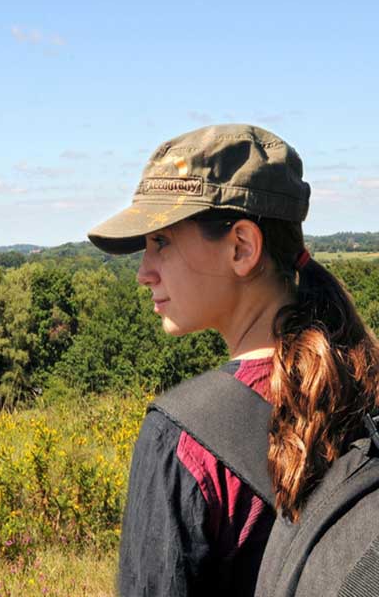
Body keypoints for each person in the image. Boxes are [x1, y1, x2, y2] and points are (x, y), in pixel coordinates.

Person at [86, 124, 379, 596]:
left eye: (160, 241)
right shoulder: (363, 385)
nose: (144, 272)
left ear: (242, 247)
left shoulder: (183, 440)